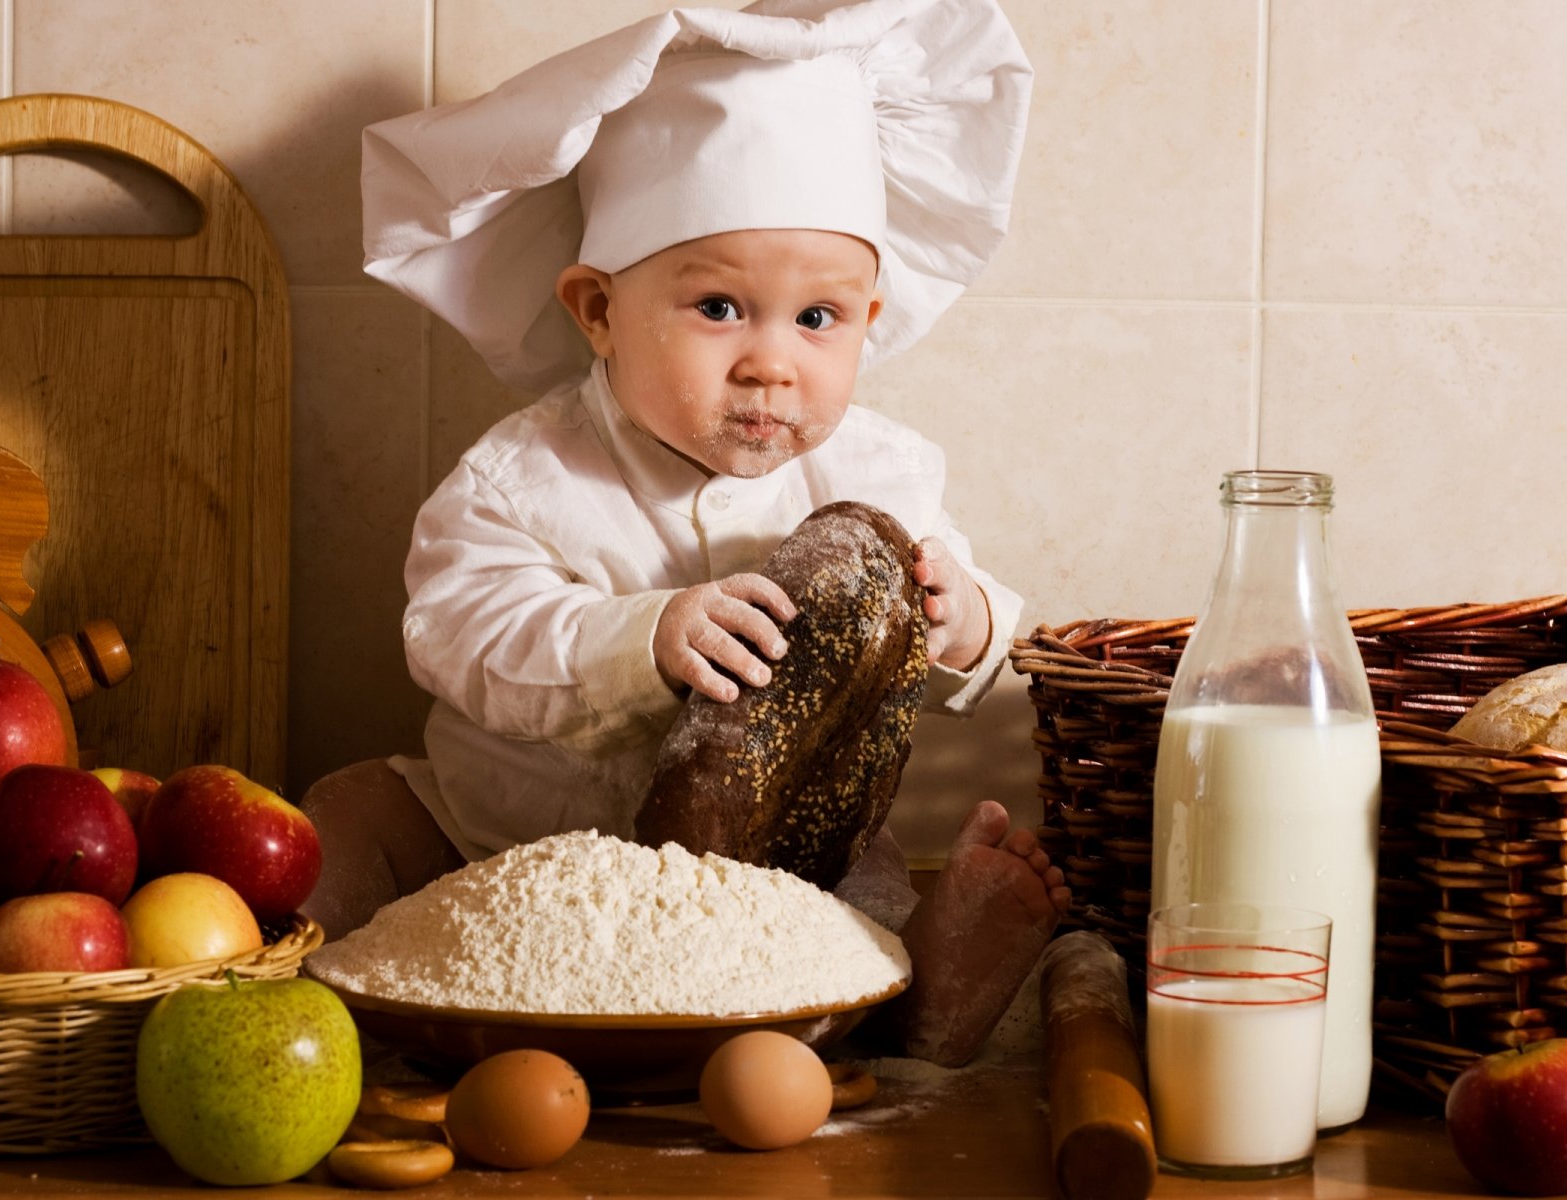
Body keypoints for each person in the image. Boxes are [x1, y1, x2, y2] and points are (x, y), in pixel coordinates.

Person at [300, 0, 1067, 1066]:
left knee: (858, 909)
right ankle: (302, 1008)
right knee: (351, 811)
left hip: (773, 883)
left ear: (869, 324)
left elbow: (955, 656)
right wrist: (640, 639)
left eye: (818, 319)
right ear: (598, 310)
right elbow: (457, 632)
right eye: (718, 307)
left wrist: (964, 617)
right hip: (505, 856)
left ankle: (925, 1007)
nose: (770, 362)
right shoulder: (525, 476)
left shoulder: (880, 473)